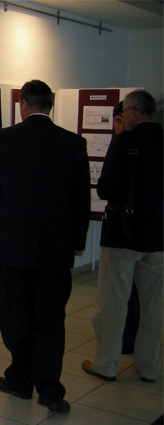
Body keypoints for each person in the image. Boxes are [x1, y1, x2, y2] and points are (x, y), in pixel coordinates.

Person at [0, 79, 90, 414]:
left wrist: (11, 199)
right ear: (50, 105)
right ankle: (50, 390)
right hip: (56, 247)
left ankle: (20, 380)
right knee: (50, 317)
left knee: (15, 312)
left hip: (11, 245)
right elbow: (80, 199)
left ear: (22, 104)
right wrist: (77, 241)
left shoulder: (3, 139)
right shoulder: (73, 143)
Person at [82, 89, 163, 383]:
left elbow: (105, 188)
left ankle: (107, 364)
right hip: (159, 235)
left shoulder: (124, 142)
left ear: (131, 112)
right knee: (154, 307)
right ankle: (148, 366)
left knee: (114, 303)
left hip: (122, 236)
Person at [111, 101, 140, 355]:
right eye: (116, 121)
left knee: (125, 291)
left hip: (126, 230)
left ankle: (125, 340)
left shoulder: (122, 146)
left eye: (122, 120)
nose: (118, 127)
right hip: (148, 231)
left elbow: (106, 187)